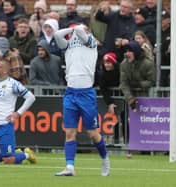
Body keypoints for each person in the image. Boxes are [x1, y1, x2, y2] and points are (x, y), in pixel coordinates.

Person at [54, 24, 110, 176]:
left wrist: (77, 28)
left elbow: (80, 31)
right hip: (70, 92)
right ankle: (70, 167)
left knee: (92, 133)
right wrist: (71, 30)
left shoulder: (90, 41)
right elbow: (57, 34)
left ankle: (105, 158)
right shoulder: (68, 45)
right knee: (70, 132)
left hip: (86, 93)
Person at [0, 57, 36, 165]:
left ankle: (27, 155)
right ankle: (14, 153)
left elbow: (31, 97)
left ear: (5, 70)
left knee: (9, 161)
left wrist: (18, 113)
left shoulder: (13, 84)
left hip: (4, 126)